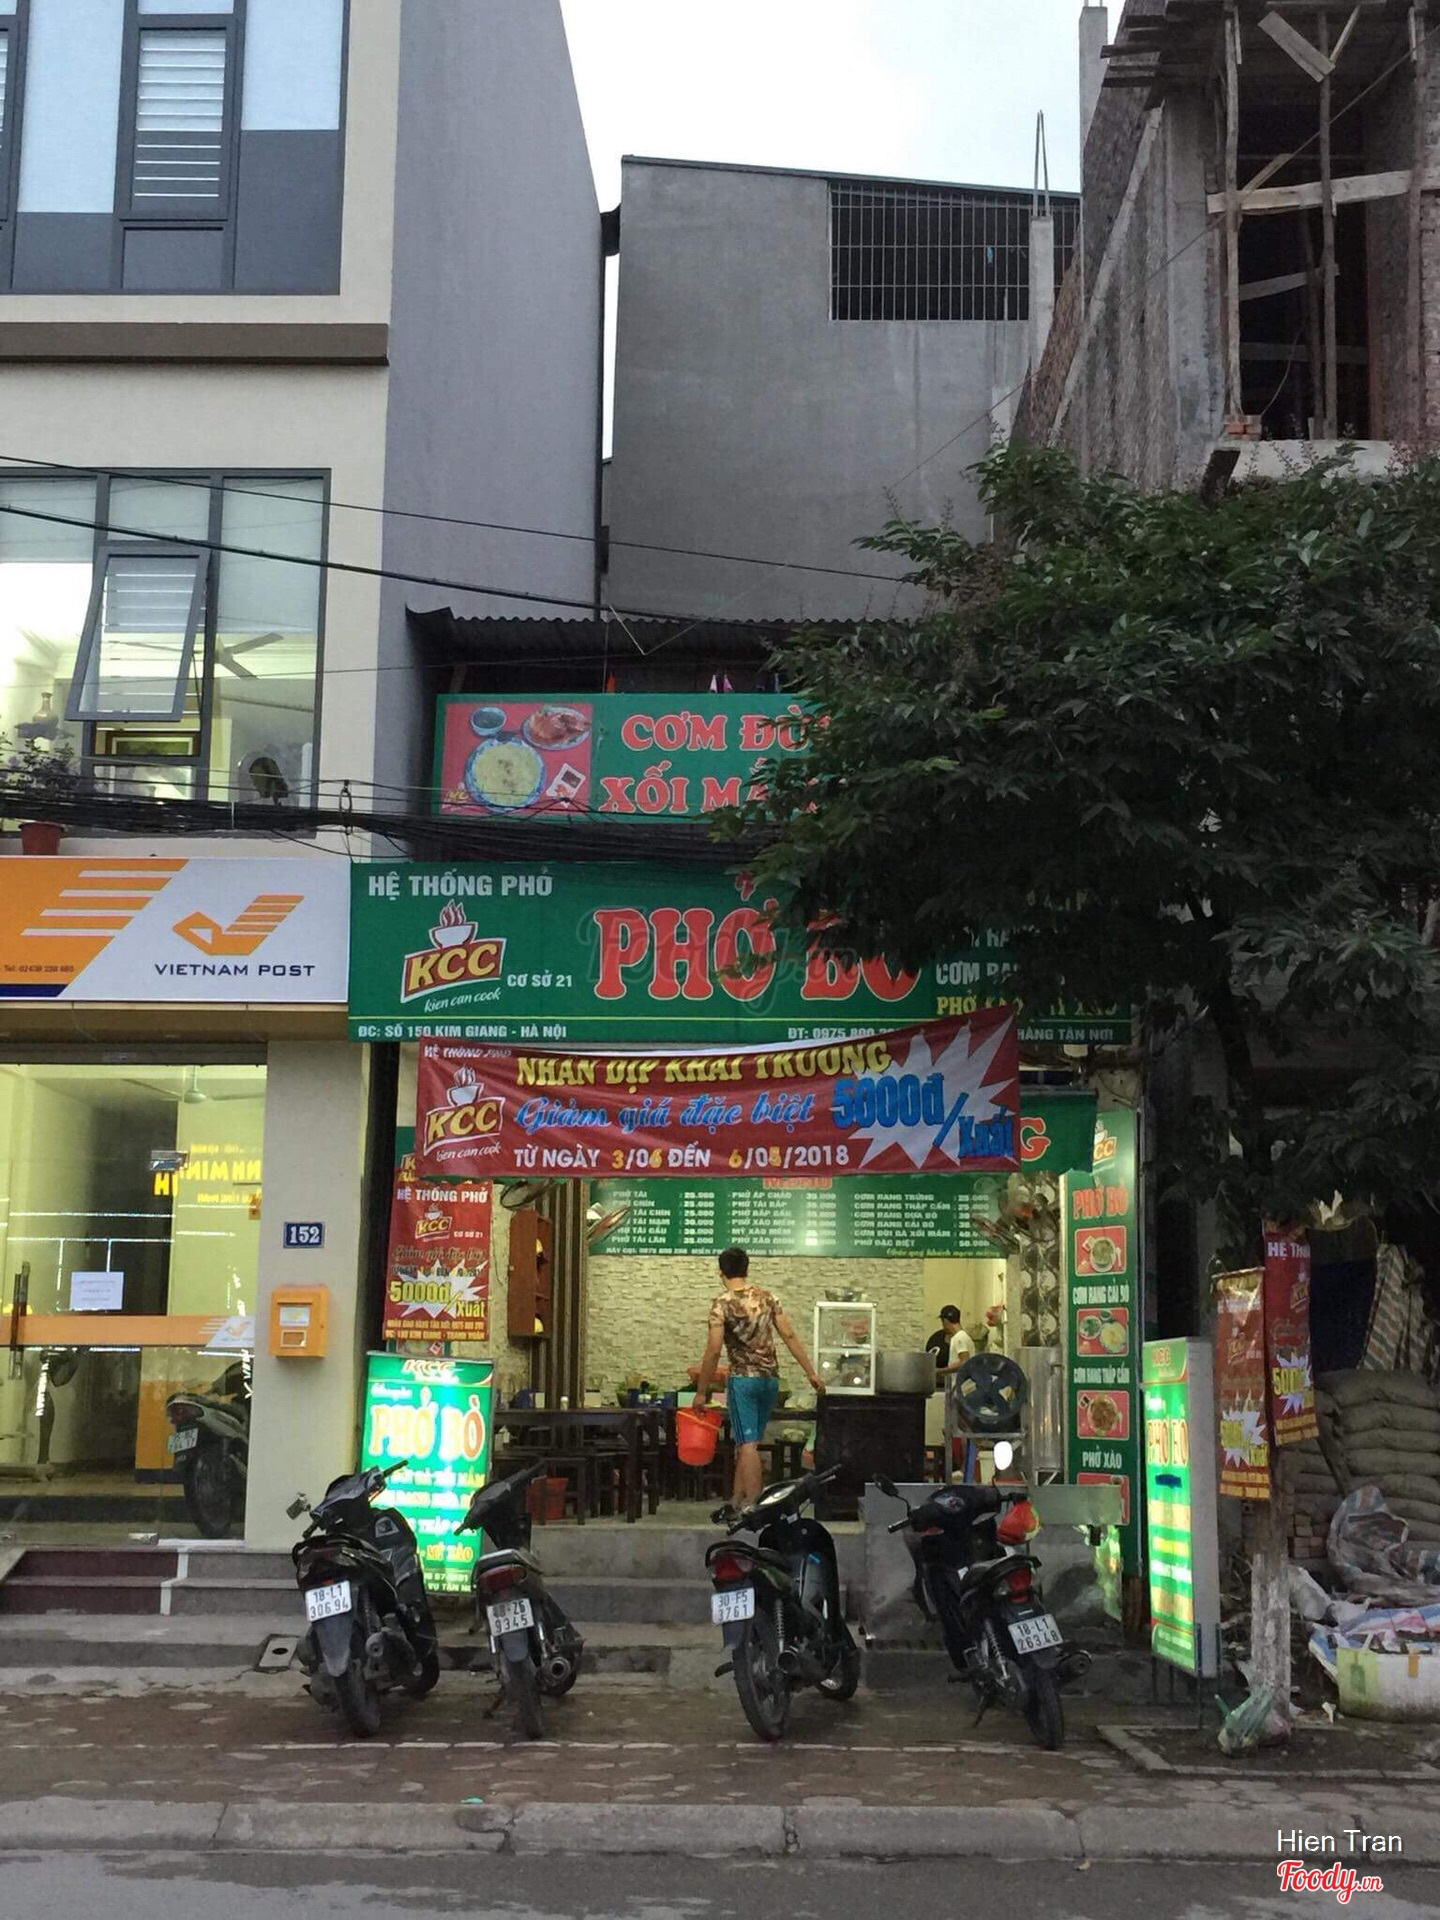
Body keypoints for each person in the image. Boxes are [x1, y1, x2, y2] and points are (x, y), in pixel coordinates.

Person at [692, 1246, 825, 1523]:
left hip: (743, 1381)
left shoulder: (721, 1304)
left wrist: (701, 1391)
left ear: (720, 1272)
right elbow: (789, 1335)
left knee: (748, 1444)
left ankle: (756, 1510)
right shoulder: (767, 1298)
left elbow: (713, 1351)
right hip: (770, 1381)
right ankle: (736, 1502)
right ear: (747, 1269)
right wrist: (811, 1372)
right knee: (747, 1443)